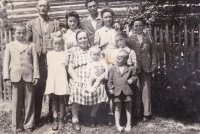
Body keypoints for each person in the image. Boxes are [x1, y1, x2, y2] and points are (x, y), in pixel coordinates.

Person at [26, 0, 60, 123]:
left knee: (52, 86)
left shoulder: (54, 23)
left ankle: (52, 116)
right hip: (38, 59)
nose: (42, 8)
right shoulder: (31, 24)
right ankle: (36, 117)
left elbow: (59, 40)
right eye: (40, 5)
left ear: (48, 8)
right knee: (38, 88)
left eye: (45, 6)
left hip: (52, 59)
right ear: (36, 8)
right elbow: (27, 43)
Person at [68, 30, 108, 131]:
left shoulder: (93, 50)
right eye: (80, 38)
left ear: (88, 38)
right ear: (77, 40)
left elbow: (103, 62)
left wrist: (102, 69)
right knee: (76, 89)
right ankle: (75, 119)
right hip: (78, 76)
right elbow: (70, 68)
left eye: (84, 38)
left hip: (93, 76)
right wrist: (76, 79)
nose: (82, 40)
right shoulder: (73, 51)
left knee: (100, 88)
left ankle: (92, 116)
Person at [3, 23, 39, 133]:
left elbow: (35, 62)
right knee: (16, 103)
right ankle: (17, 126)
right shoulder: (10, 46)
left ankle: (28, 125)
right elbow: (6, 63)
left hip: (28, 76)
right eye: (19, 33)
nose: (21, 35)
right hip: (15, 76)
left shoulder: (31, 45)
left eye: (24, 33)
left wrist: (36, 75)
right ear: (14, 34)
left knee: (29, 101)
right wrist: (6, 77)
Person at [129, 18, 157, 122]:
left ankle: (147, 113)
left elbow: (153, 52)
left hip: (147, 68)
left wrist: (153, 65)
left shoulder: (149, 38)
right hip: (135, 68)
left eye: (140, 25)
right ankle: (137, 113)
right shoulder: (130, 39)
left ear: (143, 26)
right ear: (133, 27)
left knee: (146, 90)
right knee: (136, 90)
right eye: (136, 26)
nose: (138, 28)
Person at [94, 7, 118, 126]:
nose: (108, 19)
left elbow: (119, 44)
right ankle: (100, 113)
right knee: (102, 85)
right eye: (105, 17)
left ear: (112, 18)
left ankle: (111, 114)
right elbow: (96, 47)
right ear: (102, 19)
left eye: (110, 17)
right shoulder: (99, 31)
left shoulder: (116, 30)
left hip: (114, 60)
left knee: (112, 86)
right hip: (103, 60)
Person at [107, 50, 137, 132]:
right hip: (117, 91)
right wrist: (110, 88)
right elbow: (110, 81)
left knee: (128, 108)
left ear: (125, 60)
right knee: (117, 108)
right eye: (117, 58)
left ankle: (128, 124)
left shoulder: (130, 68)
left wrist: (131, 79)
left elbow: (135, 77)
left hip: (127, 90)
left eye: (119, 59)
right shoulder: (113, 68)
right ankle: (118, 124)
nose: (117, 60)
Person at [44, 31, 69, 131]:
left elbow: (66, 68)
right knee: (54, 100)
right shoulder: (49, 54)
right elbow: (48, 68)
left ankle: (61, 119)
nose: (57, 45)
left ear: (62, 44)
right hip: (52, 79)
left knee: (62, 100)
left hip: (61, 78)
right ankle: (55, 119)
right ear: (52, 44)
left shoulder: (65, 54)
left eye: (59, 44)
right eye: (55, 43)